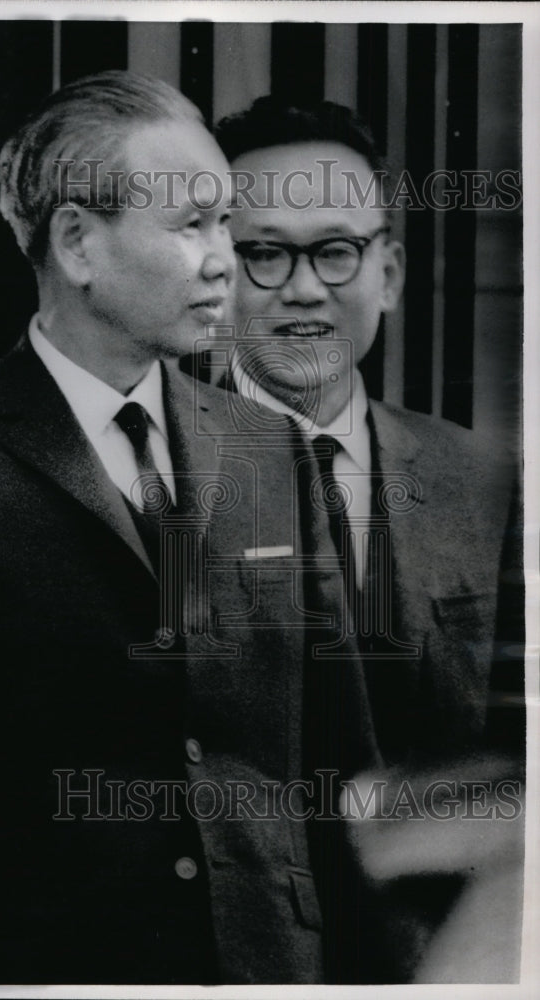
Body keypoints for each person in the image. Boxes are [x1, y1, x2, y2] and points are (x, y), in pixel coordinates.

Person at [0, 72, 357, 986]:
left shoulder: (276, 455)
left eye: (226, 223)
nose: (225, 257)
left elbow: (339, 775)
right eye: (190, 225)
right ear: (76, 242)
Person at [209, 97, 524, 982]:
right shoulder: (129, 479)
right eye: (262, 253)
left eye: (337, 249)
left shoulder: (486, 484)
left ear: (386, 271)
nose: (304, 287)